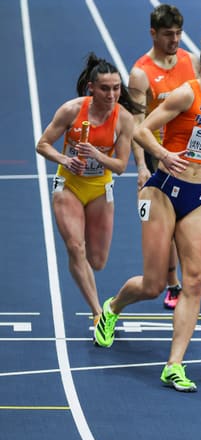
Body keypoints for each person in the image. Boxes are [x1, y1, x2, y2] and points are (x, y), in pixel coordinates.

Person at [94, 27, 201, 393]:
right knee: (154, 284)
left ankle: (174, 364)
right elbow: (142, 130)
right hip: (160, 191)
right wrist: (164, 155)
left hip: (198, 195)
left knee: (196, 282)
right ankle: (111, 308)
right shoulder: (185, 92)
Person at [128, 3, 201, 310]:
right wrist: (142, 166)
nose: (175, 39)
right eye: (168, 34)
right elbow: (137, 125)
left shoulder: (190, 61)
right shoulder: (140, 74)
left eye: (179, 33)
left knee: (186, 233)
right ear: (154, 33)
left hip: (189, 154)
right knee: (163, 238)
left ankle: (177, 284)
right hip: (158, 152)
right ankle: (168, 281)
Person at [36, 54, 139, 324]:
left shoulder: (124, 119)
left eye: (116, 88)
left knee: (97, 261)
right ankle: (97, 313)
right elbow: (42, 144)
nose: (111, 94)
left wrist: (96, 154)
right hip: (68, 186)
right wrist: (64, 159)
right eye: (105, 88)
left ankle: (102, 305)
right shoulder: (71, 110)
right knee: (75, 247)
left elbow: (120, 166)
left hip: (100, 189)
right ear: (91, 88)